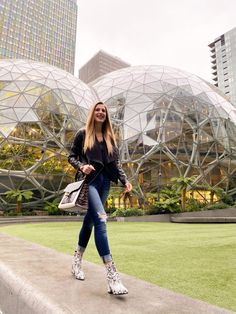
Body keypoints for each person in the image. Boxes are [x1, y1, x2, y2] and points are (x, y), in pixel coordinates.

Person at [68, 101, 132, 295]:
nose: (101, 112)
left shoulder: (110, 138)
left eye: (103, 110)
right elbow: (71, 156)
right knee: (101, 221)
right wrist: (82, 166)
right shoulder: (83, 134)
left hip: (105, 184)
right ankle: (112, 276)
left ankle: (76, 260)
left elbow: (116, 163)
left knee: (89, 223)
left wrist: (125, 181)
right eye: (97, 109)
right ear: (92, 113)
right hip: (90, 182)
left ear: (106, 115)